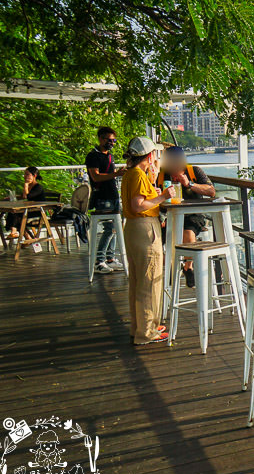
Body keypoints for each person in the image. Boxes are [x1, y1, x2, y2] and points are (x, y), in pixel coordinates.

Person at [121, 137, 176, 345]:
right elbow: (138, 205)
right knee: (150, 281)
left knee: (138, 280)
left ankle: (139, 326)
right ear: (150, 155)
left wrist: (154, 189)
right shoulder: (137, 174)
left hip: (133, 228)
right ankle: (147, 331)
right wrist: (163, 197)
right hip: (145, 228)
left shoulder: (130, 173)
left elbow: (138, 201)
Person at [156, 146, 216, 287]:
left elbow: (211, 191)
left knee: (188, 232)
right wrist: (161, 215)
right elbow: (154, 197)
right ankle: (171, 265)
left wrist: (189, 184)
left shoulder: (193, 171)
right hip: (169, 216)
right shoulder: (161, 175)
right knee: (153, 241)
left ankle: (188, 267)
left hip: (193, 215)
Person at [85, 127, 127, 274]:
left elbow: (109, 174)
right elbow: (95, 176)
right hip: (102, 197)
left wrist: (117, 174)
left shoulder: (110, 156)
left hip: (113, 195)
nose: (111, 143)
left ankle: (110, 258)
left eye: (113, 140)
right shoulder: (93, 156)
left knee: (115, 228)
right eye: (109, 140)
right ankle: (99, 260)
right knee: (110, 228)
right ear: (100, 139)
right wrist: (116, 174)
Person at [5, 166, 46, 237]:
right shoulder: (29, 186)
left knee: (16, 215)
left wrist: (26, 185)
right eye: (25, 174)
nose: (25, 176)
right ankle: (25, 237)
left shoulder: (38, 187)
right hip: (29, 210)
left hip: (37, 211)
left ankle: (15, 232)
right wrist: (11, 197)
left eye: (27, 174)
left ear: (34, 176)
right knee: (13, 212)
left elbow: (26, 196)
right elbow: (23, 196)